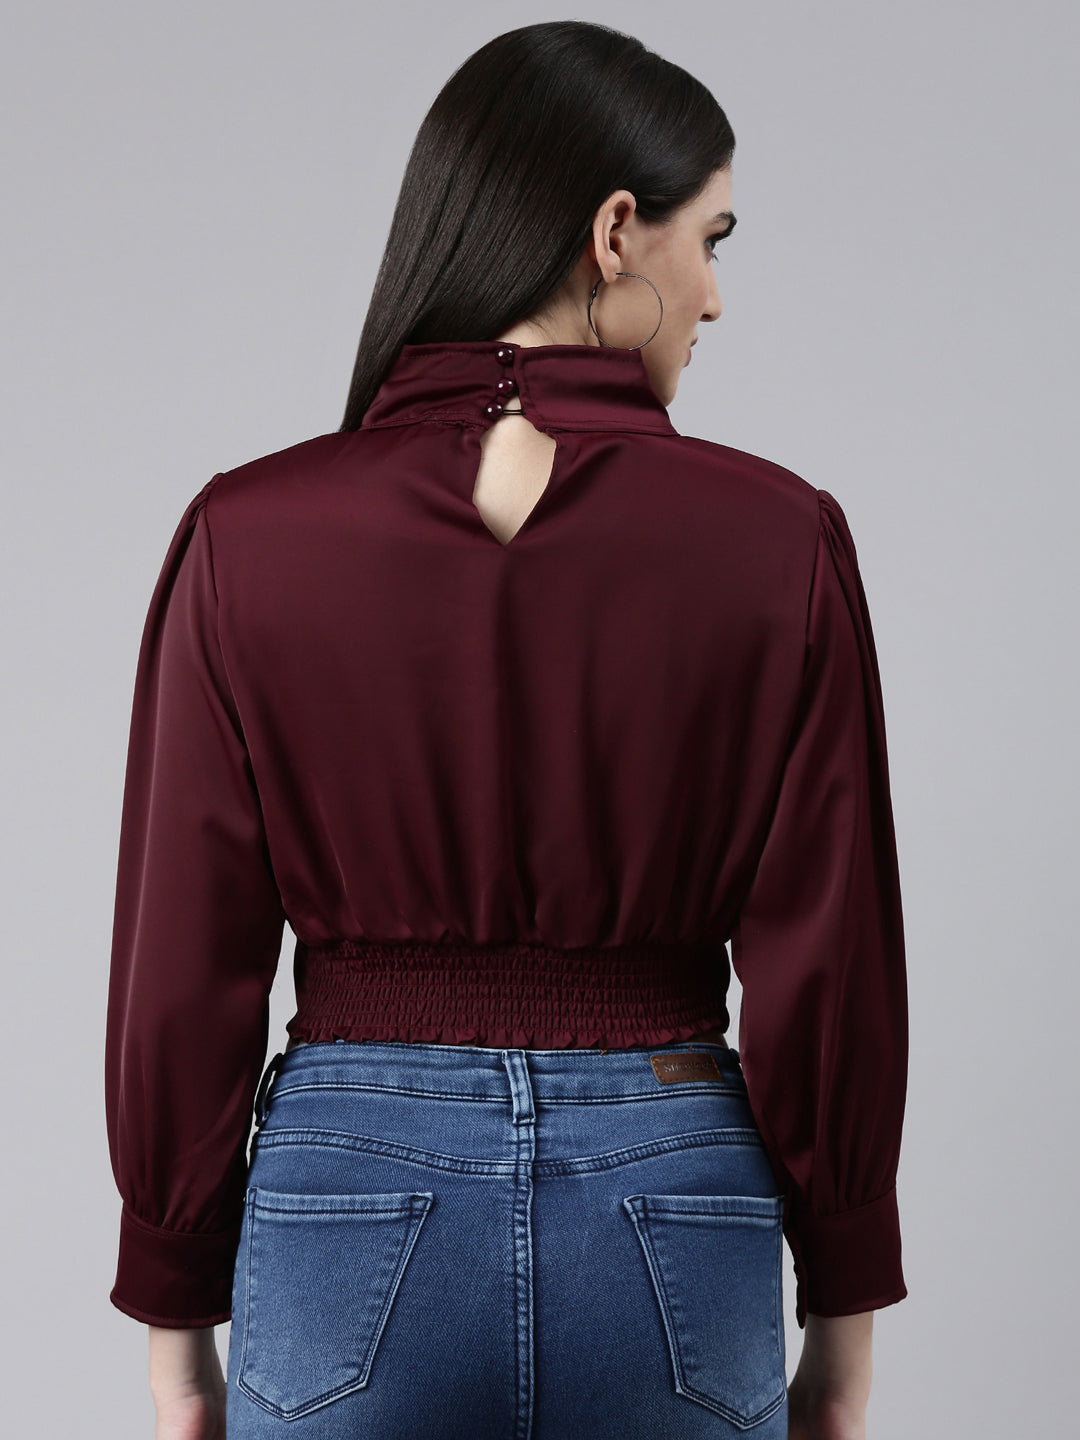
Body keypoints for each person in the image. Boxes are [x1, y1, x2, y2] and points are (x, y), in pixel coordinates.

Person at [105, 20, 908, 1440]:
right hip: (674, 1186)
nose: (714, 298)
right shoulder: (780, 541)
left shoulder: (246, 533)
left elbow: (185, 949)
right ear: (617, 232)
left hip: (347, 1193)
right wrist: (842, 1328)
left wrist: (177, 1339)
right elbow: (829, 953)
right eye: (710, 240)